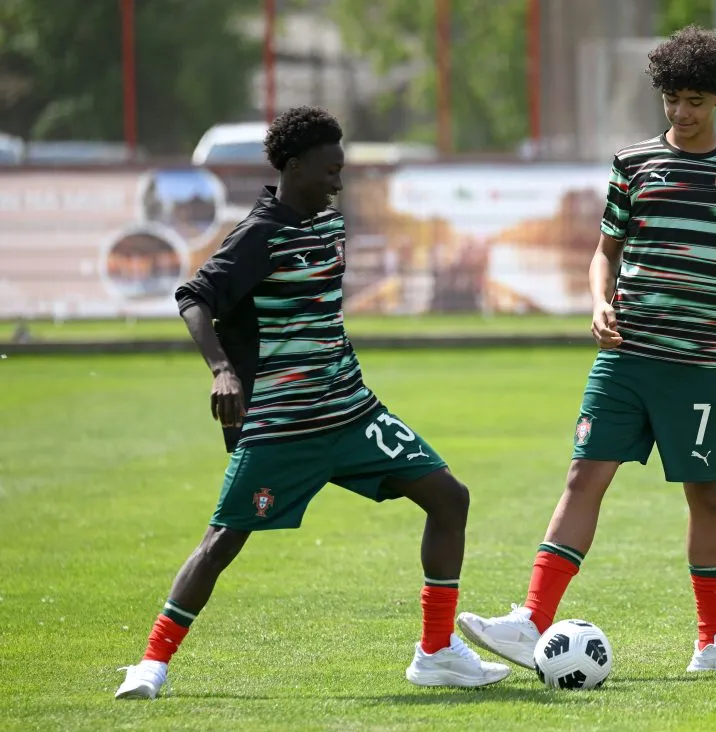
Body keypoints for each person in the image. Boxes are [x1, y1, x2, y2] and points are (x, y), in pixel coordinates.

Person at [115, 106, 509, 699]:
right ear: (294, 167)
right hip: (284, 426)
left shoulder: (328, 224)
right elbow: (194, 296)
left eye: (341, 170)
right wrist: (223, 370)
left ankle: (436, 653)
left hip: (352, 412)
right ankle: (151, 664)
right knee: (222, 542)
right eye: (330, 171)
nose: (338, 182)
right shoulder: (259, 234)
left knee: (450, 498)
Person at [455, 25, 716, 674]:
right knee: (583, 475)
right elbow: (604, 253)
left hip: (701, 366)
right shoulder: (633, 163)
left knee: (706, 495)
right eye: (672, 98)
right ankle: (530, 621)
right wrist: (598, 302)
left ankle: (714, 643)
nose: (681, 112)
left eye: (695, 100)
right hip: (627, 356)